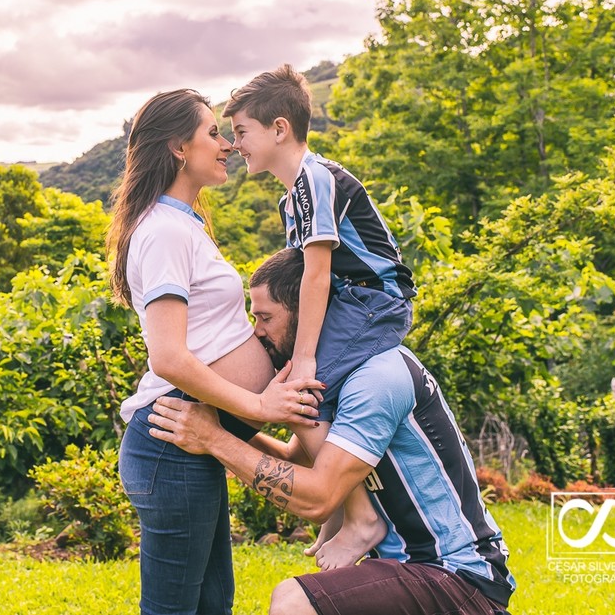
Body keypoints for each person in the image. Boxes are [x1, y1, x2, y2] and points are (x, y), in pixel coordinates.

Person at [148, 248, 516, 615]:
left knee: (293, 601)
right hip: (409, 570)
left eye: (265, 318)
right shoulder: (341, 378)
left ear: (309, 312)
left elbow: (319, 497)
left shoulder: (377, 378)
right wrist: (208, 429)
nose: (256, 331)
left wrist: (214, 438)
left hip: (457, 577)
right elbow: (297, 460)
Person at [106, 89, 320, 615]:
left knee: (212, 604)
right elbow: (169, 359)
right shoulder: (162, 232)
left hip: (190, 446)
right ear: (180, 146)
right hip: (170, 444)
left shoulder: (183, 226)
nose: (225, 145)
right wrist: (260, 408)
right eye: (212, 133)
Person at [223, 64, 417, 569]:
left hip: (374, 300)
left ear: (280, 128)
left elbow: (316, 276)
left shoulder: (314, 180)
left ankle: (361, 518)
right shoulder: (295, 194)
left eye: (242, 132)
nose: (236, 143)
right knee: (297, 387)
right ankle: (343, 507)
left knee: (306, 388)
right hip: (351, 301)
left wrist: (306, 356)